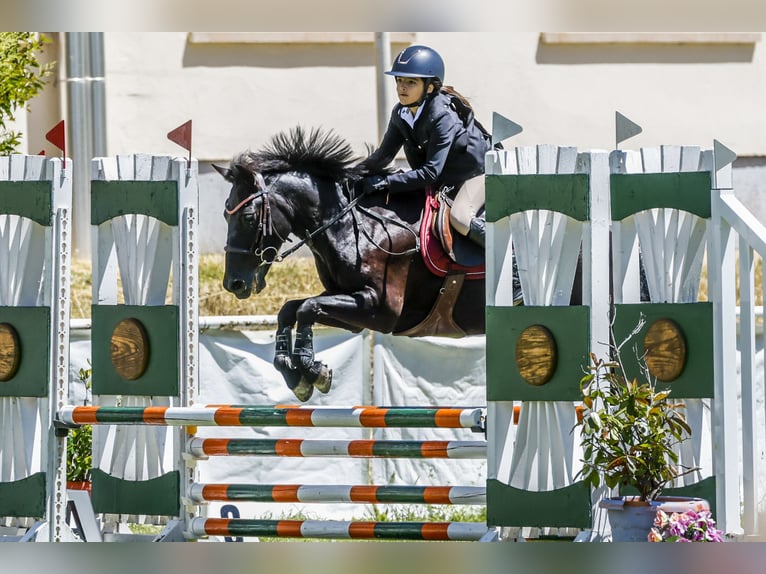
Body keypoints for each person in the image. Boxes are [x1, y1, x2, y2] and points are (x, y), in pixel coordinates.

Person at [358, 44, 491, 248]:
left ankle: (511, 262)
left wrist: (386, 182)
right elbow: (383, 156)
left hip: (478, 174)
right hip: (447, 178)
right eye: (399, 80)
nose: (402, 87)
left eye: (411, 82)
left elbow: (430, 173)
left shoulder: (443, 118)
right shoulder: (401, 113)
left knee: (461, 217)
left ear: (429, 87)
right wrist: (352, 175)